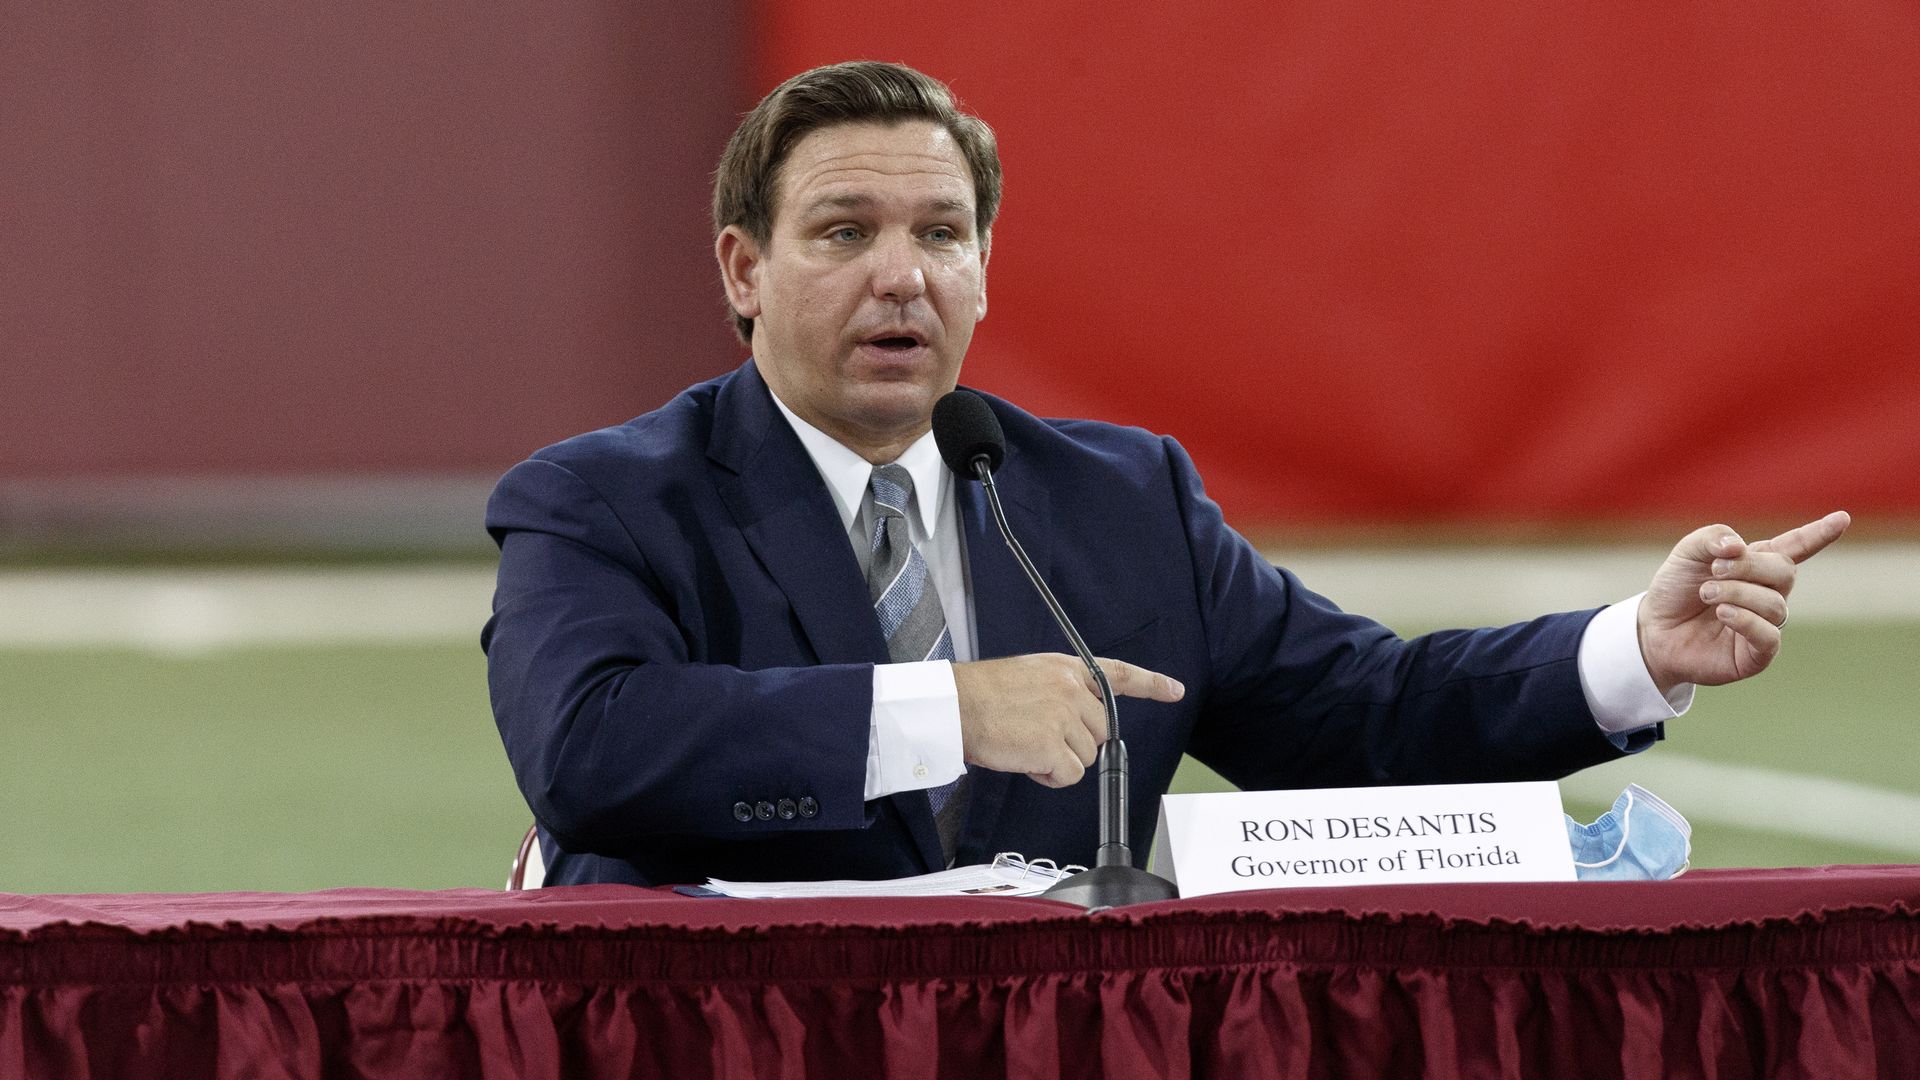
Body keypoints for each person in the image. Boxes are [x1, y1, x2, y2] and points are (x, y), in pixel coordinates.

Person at [482, 61, 1848, 887]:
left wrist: (1630, 653)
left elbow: (1358, 722)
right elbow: (594, 753)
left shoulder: (1115, 500)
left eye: (942, 234)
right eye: (846, 231)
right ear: (744, 269)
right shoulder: (602, 499)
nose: (902, 276)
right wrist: (943, 713)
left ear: (983, 269)